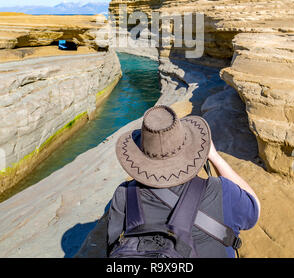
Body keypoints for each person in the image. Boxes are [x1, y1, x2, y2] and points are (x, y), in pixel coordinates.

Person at [107, 105, 260, 258]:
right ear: (194, 149)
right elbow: (253, 209)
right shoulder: (219, 191)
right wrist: (215, 157)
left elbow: (112, 246)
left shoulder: (124, 194)